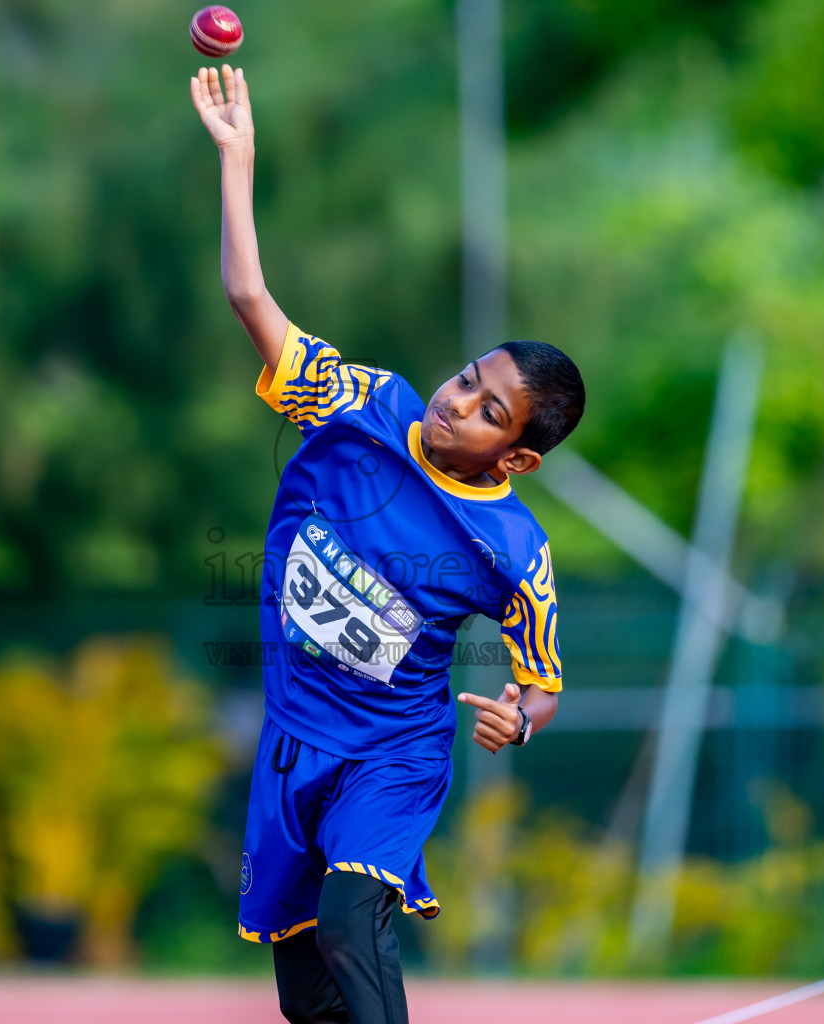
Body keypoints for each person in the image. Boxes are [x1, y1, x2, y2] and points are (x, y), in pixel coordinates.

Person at [190, 64, 584, 1023]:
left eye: (489, 411)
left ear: (517, 457)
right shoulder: (361, 403)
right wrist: (238, 159)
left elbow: (540, 682)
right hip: (293, 741)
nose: (457, 403)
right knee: (305, 1001)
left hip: (392, 757)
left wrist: (519, 718)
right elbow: (251, 297)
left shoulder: (510, 545)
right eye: (465, 379)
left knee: (350, 918)